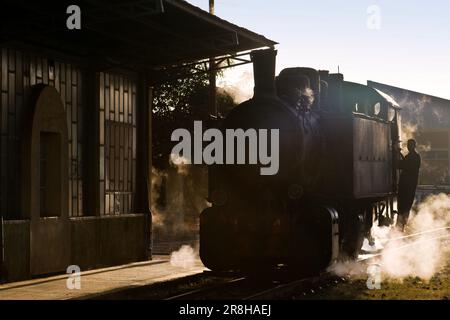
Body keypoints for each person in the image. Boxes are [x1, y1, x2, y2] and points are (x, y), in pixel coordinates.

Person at [396, 139, 421, 231]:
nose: (409, 146)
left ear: (413, 146)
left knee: (404, 204)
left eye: (410, 145)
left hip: (407, 184)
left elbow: (403, 165)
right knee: (404, 205)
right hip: (408, 184)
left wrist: (399, 154)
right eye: (408, 145)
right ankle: (401, 224)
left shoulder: (414, 157)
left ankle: (401, 224)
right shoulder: (414, 157)